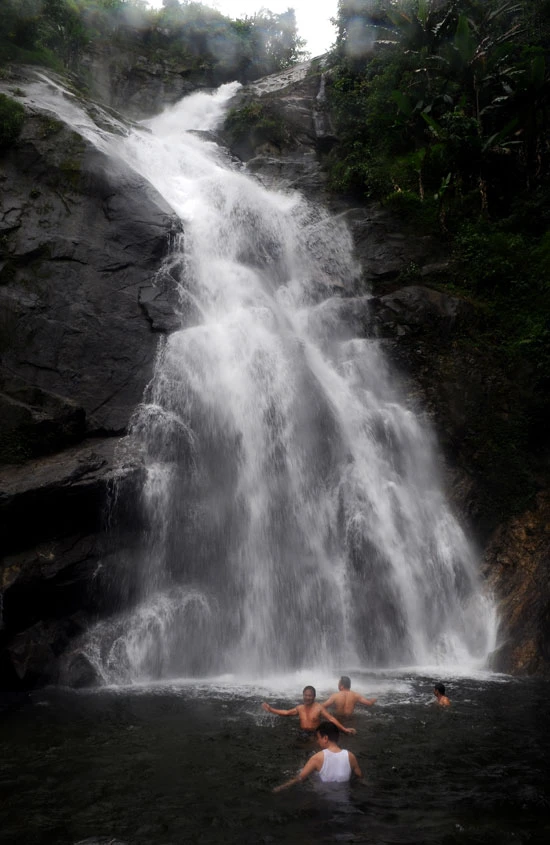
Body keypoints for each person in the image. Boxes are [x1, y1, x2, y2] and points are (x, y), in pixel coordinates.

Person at [272, 721, 362, 792]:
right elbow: (359, 777)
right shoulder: (350, 756)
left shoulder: (317, 758)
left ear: (325, 738)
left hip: (324, 801)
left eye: (318, 738)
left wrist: (280, 788)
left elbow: (299, 778)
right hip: (345, 799)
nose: (318, 742)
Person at [262, 685, 356, 737]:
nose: (307, 698)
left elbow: (331, 719)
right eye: (305, 695)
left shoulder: (319, 708)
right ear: (303, 695)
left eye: (310, 695)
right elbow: (286, 713)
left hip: (315, 734)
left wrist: (344, 729)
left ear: (314, 697)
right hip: (302, 733)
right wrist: (270, 709)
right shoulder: (300, 708)